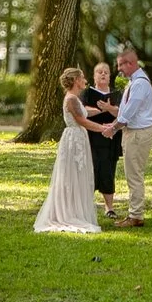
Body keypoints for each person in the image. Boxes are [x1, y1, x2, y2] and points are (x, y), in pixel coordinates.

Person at [34, 68, 105, 234]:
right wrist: (103, 128)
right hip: (74, 139)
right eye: (82, 77)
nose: (85, 80)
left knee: (77, 174)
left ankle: (75, 209)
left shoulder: (75, 99)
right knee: (71, 174)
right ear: (75, 80)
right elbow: (82, 120)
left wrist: (103, 109)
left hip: (79, 137)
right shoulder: (71, 99)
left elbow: (85, 112)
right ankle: (68, 212)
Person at [112, 47, 152, 226]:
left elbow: (129, 113)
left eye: (121, 65)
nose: (119, 69)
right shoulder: (134, 82)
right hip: (134, 132)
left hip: (138, 134)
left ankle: (136, 216)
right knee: (133, 173)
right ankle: (134, 213)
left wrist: (113, 128)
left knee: (134, 174)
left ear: (130, 63)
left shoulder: (139, 84)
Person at [85, 59, 123, 220]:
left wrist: (109, 108)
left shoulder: (117, 95)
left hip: (111, 137)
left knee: (108, 170)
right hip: (92, 137)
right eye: (99, 72)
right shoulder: (87, 93)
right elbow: (83, 111)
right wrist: (100, 110)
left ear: (109, 77)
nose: (103, 74)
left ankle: (109, 207)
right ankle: (86, 205)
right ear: (94, 77)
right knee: (91, 169)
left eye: (106, 72)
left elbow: (122, 113)